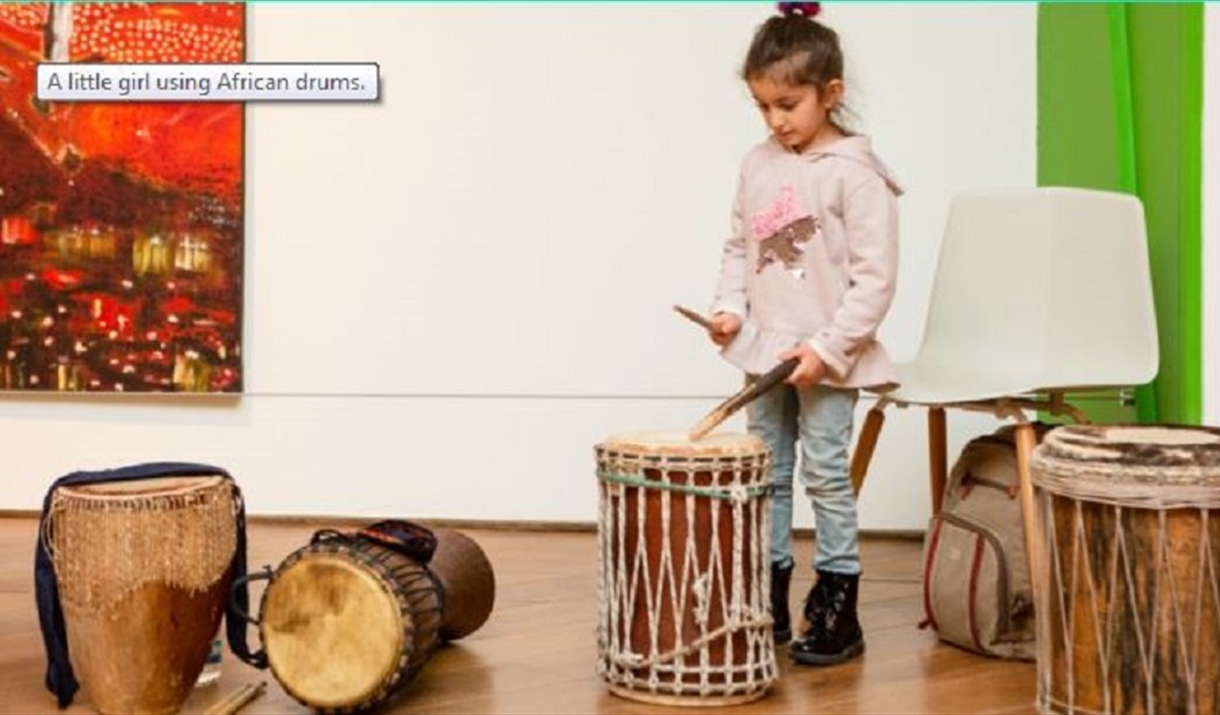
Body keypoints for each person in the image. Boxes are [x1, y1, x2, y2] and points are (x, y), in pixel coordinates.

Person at [705, 1, 902, 666]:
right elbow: (740, 248)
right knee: (767, 474)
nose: (775, 120)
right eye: (763, 106)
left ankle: (837, 605)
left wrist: (826, 348)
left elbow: (875, 282)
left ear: (831, 94)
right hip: (766, 351)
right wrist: (729, 310)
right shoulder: (757, 163)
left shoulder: (855, 173)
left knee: (825, 475)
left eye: (788, 104)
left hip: (827, 357)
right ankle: (768, 597)